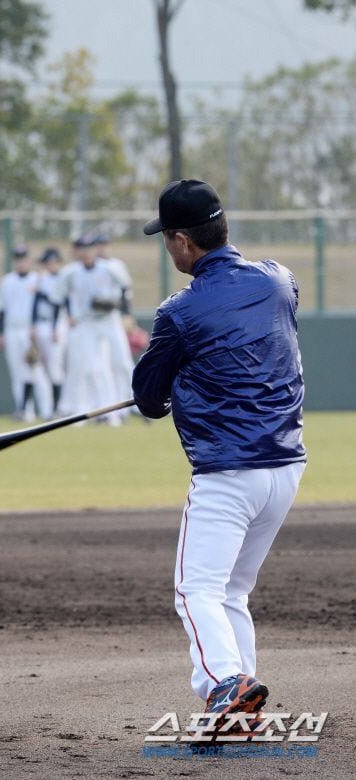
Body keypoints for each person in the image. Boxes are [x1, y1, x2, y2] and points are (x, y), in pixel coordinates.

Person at [132, 179, 306, 734]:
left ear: (185, 241)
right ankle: (236, 707)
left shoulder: (178, 313)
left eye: (167, 238)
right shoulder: (279, 281)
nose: (167, 247)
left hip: (230, 473)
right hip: (286, 468)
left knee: (195, 590)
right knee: (231, 589)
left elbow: (148, 401)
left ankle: (225, 684)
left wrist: (176, 374)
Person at [52, 234, 123, 423]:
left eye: (90, 248)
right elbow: (60, 297)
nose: (86, 252)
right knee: (89, 367)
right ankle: (87, 411)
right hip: (86, 322)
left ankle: (113, 412)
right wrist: (68, 315)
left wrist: (121, 308)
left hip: (108, 319)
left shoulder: (109, 268)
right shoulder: (71, 272)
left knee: (116, 363)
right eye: (83, 248)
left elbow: (124, 288)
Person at [0, 245, 51, 421]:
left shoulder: (38, 279)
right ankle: (24, 410)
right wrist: (0, 333)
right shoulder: (6, 281)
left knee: (37, 370)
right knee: (17, 372)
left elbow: (48, 304)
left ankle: (48, 409)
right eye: (18, 259)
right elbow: (1, 310)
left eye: (23, 259)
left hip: (31, 330)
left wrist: (37, 328)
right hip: (12, 329)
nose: (20, 263)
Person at [93, 233, 136, 421]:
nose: (101, 248)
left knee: (123, 362)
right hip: (94, 320)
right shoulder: (89, 267)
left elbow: (125, 290)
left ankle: (132, 403)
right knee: (102, 365)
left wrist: (127, 314)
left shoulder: (116, 265)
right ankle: (111, 407)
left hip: (113, 317)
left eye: (104, 244)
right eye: (98, 244)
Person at [31, 247, 68, 417]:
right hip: (41, 324)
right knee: (42, 369)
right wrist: (32, 326)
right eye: (46, 262)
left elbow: (57, 304)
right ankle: (48, 409)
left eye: (51, 262)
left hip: (58, 324)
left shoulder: (63, 278)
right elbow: (35, 304)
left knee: (55, 368)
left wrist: (54, 329)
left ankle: (58, 408)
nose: (48, 265)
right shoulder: (42, 278)